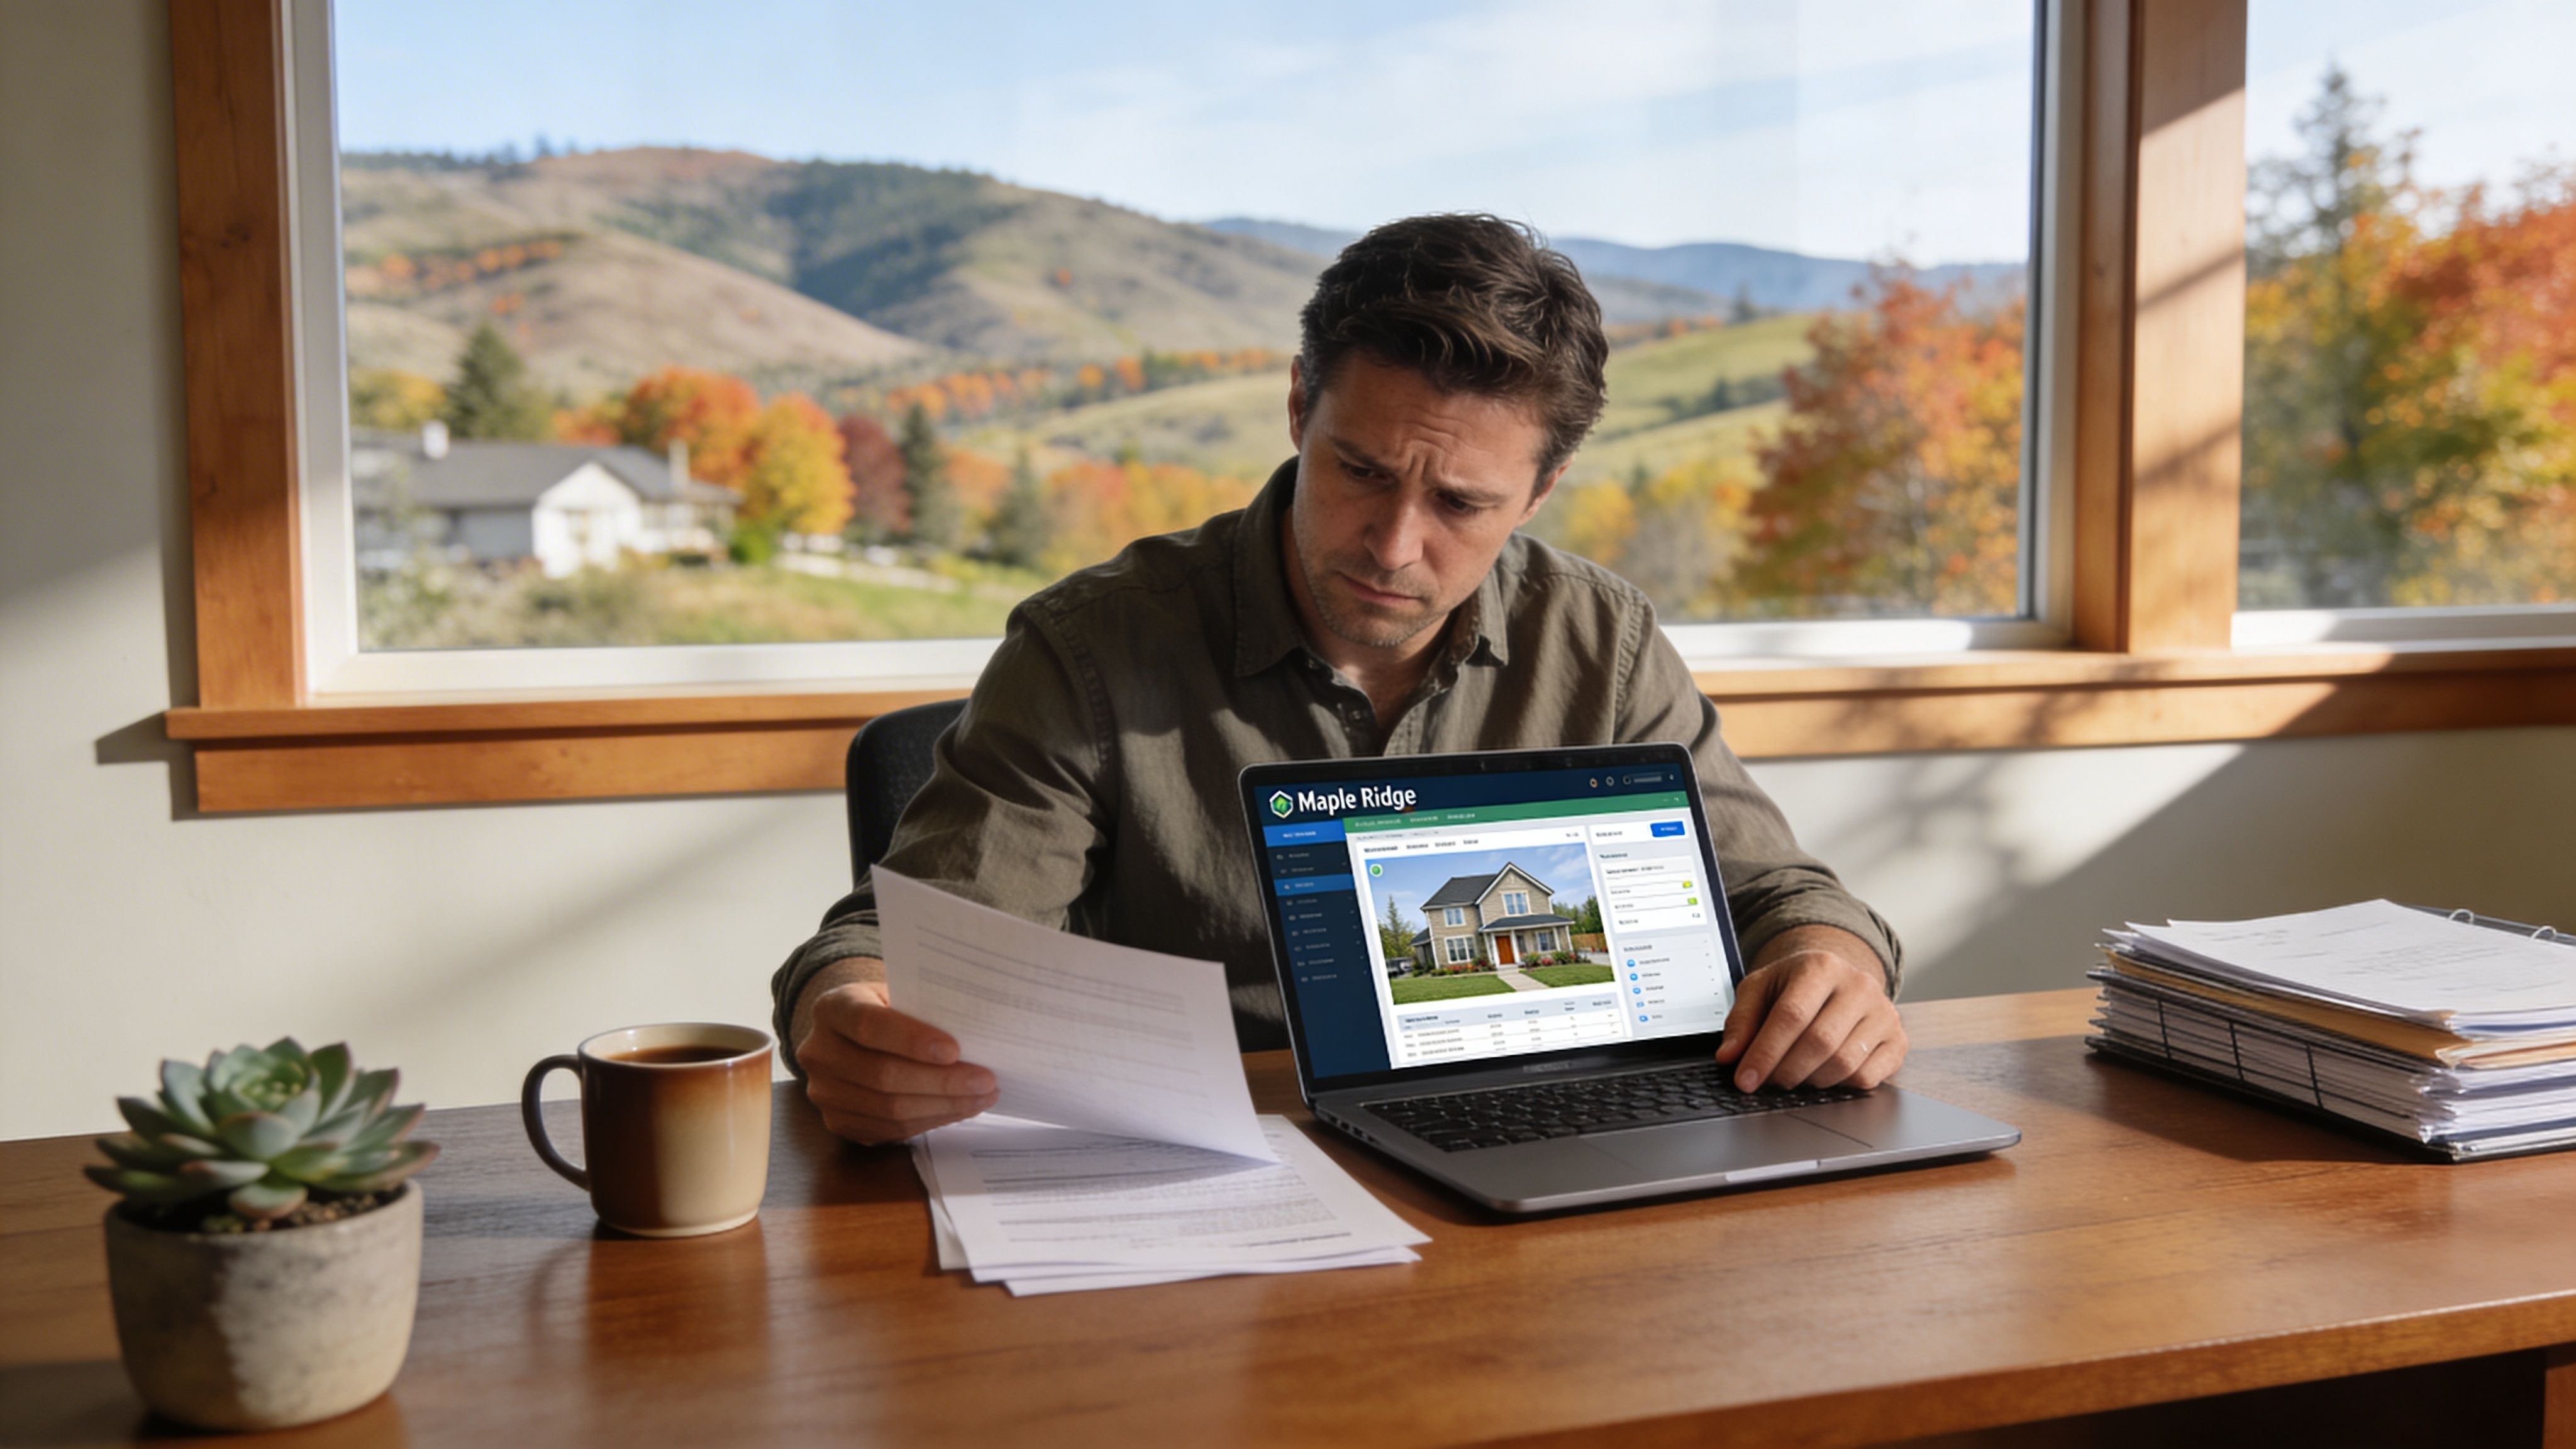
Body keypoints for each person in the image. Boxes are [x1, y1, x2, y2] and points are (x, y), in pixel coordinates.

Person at [774, 214, 1908, 1146]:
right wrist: (851, 1013)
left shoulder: (1600, 640)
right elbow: (894, 941)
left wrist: (1830, 970)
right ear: (1297, 413)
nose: (1394, 544)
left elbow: (1784, 898)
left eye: (1462, 504)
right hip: (1213, 1167)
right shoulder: (1094, 649)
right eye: (1359, 471)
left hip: (1558, 1144)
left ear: (1543, 488)